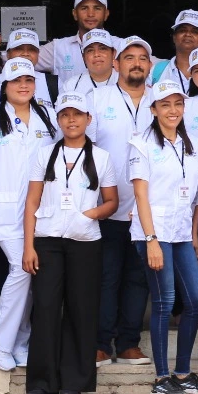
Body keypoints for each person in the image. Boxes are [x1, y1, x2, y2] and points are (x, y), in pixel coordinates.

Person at [21, 90, 117, 394]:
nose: (71, 120)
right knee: (46, 306)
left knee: (81, 307)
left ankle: (73, 381)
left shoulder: (101, 158)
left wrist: (90, 214)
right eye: (65, 115)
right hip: (47, 240)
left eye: (77, 114)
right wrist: (28, 246)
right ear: (58, 119)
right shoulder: (44, 154)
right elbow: (32, 201)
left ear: (88, 119)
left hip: (85, 241)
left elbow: (112, 201)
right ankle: (41, 382)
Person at [129, 74, 198, 394]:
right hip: (154, 232)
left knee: (197, 301)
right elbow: (140, 195)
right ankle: (162, 378)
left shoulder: (192, 144)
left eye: (178, 103)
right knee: (163, 302)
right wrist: (150, 239)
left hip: (179, 232)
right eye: (166, 105)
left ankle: (183, 372)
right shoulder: (141, 144)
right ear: (154, 109)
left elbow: (195, 193)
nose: (173, 110)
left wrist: (193, 233)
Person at [0, 57, 57, 372]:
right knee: (22, 269)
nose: (23, 85)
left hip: (40, 210)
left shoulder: (48, 118)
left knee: (32, 272)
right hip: (3, 209)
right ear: (5, 86)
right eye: (16, 81)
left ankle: (21, 340)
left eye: (28, 80)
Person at [88, 37, 155, 367]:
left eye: (143, 58)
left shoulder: (161, 101)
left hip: (147, 209)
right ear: (116, 64)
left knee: (138, 277)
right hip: (109, 206)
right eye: (129, 58)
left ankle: (129, 342)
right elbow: (86, 149)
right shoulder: (98, 99)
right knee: (106, 276)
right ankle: (101, 342)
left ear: (150, 66)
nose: (136, 63)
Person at [40, 0, 112, 87]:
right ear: (75, 14)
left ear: (106, 14)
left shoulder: (121, 46)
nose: (90, 14)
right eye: (84, 8)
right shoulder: (58, 47)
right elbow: (15, 61)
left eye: (97, 8)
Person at [151, 8, 198, 88]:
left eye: (195, 32)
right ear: (174, 37)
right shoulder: (157, 69)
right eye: (182, 30)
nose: (188, 34)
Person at [64, 29, 119, 96]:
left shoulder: (126, 81)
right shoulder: (71, 86)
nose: (96, 54)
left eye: (102, 49)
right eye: (90, 50)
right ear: (83, 57)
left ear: (113, 53)